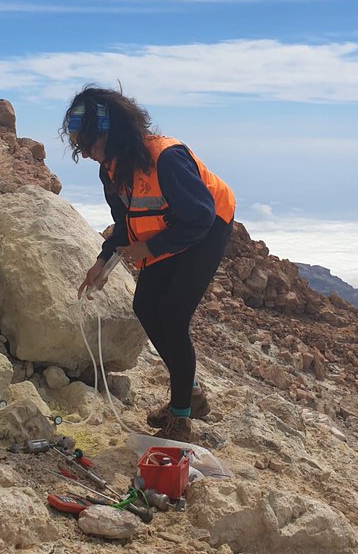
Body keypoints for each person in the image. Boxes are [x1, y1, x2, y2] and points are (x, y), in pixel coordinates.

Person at [62, 85, 235, 442]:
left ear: (111, 135)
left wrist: (151, 248)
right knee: (145, 305)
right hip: (166, 230)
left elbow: (200, 218)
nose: (86, 153)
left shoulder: (166, 159)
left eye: (88, 144)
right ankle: (193, 391)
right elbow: (125, 224)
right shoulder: (111, 171)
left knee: (173, 315)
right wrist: (103, 263)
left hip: (208, 225)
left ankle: (181, 415)